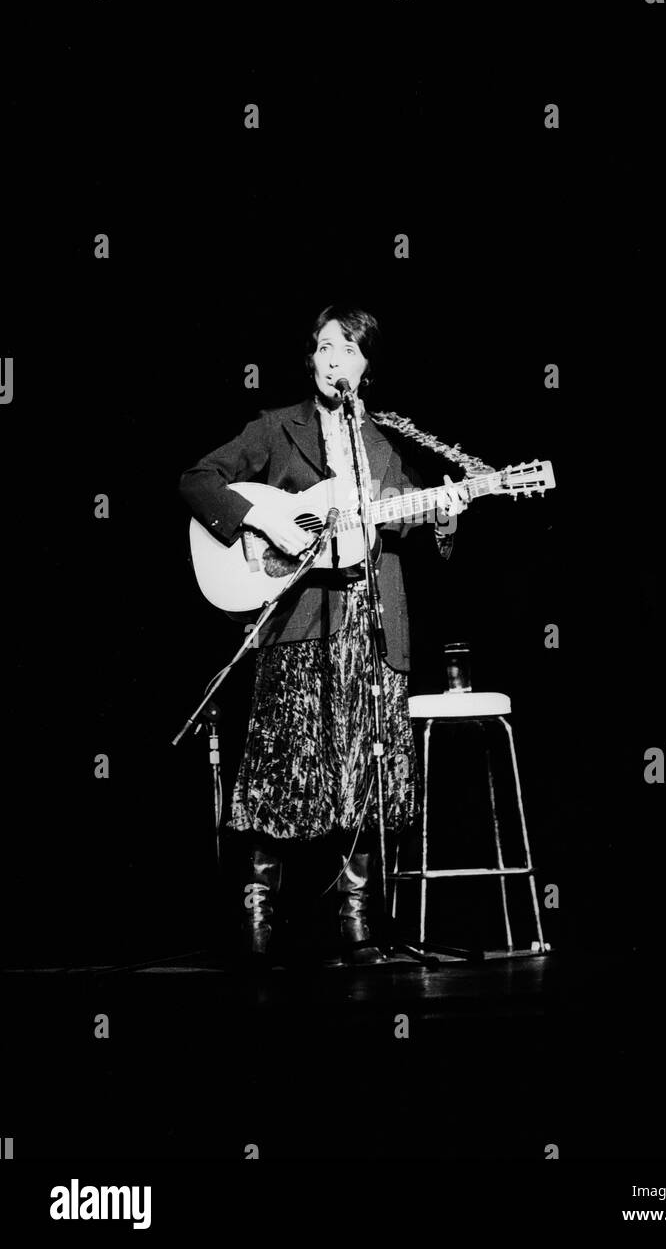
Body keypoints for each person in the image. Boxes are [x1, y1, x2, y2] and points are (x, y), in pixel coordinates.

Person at [179, 305, 467, 968]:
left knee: (369, 778)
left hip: (374, 633)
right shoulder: (277, 429)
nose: (332, 359)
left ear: (366, 363)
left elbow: (412, 530)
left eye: (346, 349)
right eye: (322, 347)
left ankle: (357, 921)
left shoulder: (385, 445)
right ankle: (256, 914)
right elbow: (197, 481)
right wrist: (267, 522)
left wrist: (446, 514)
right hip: (302, 629)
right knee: (282, 776)